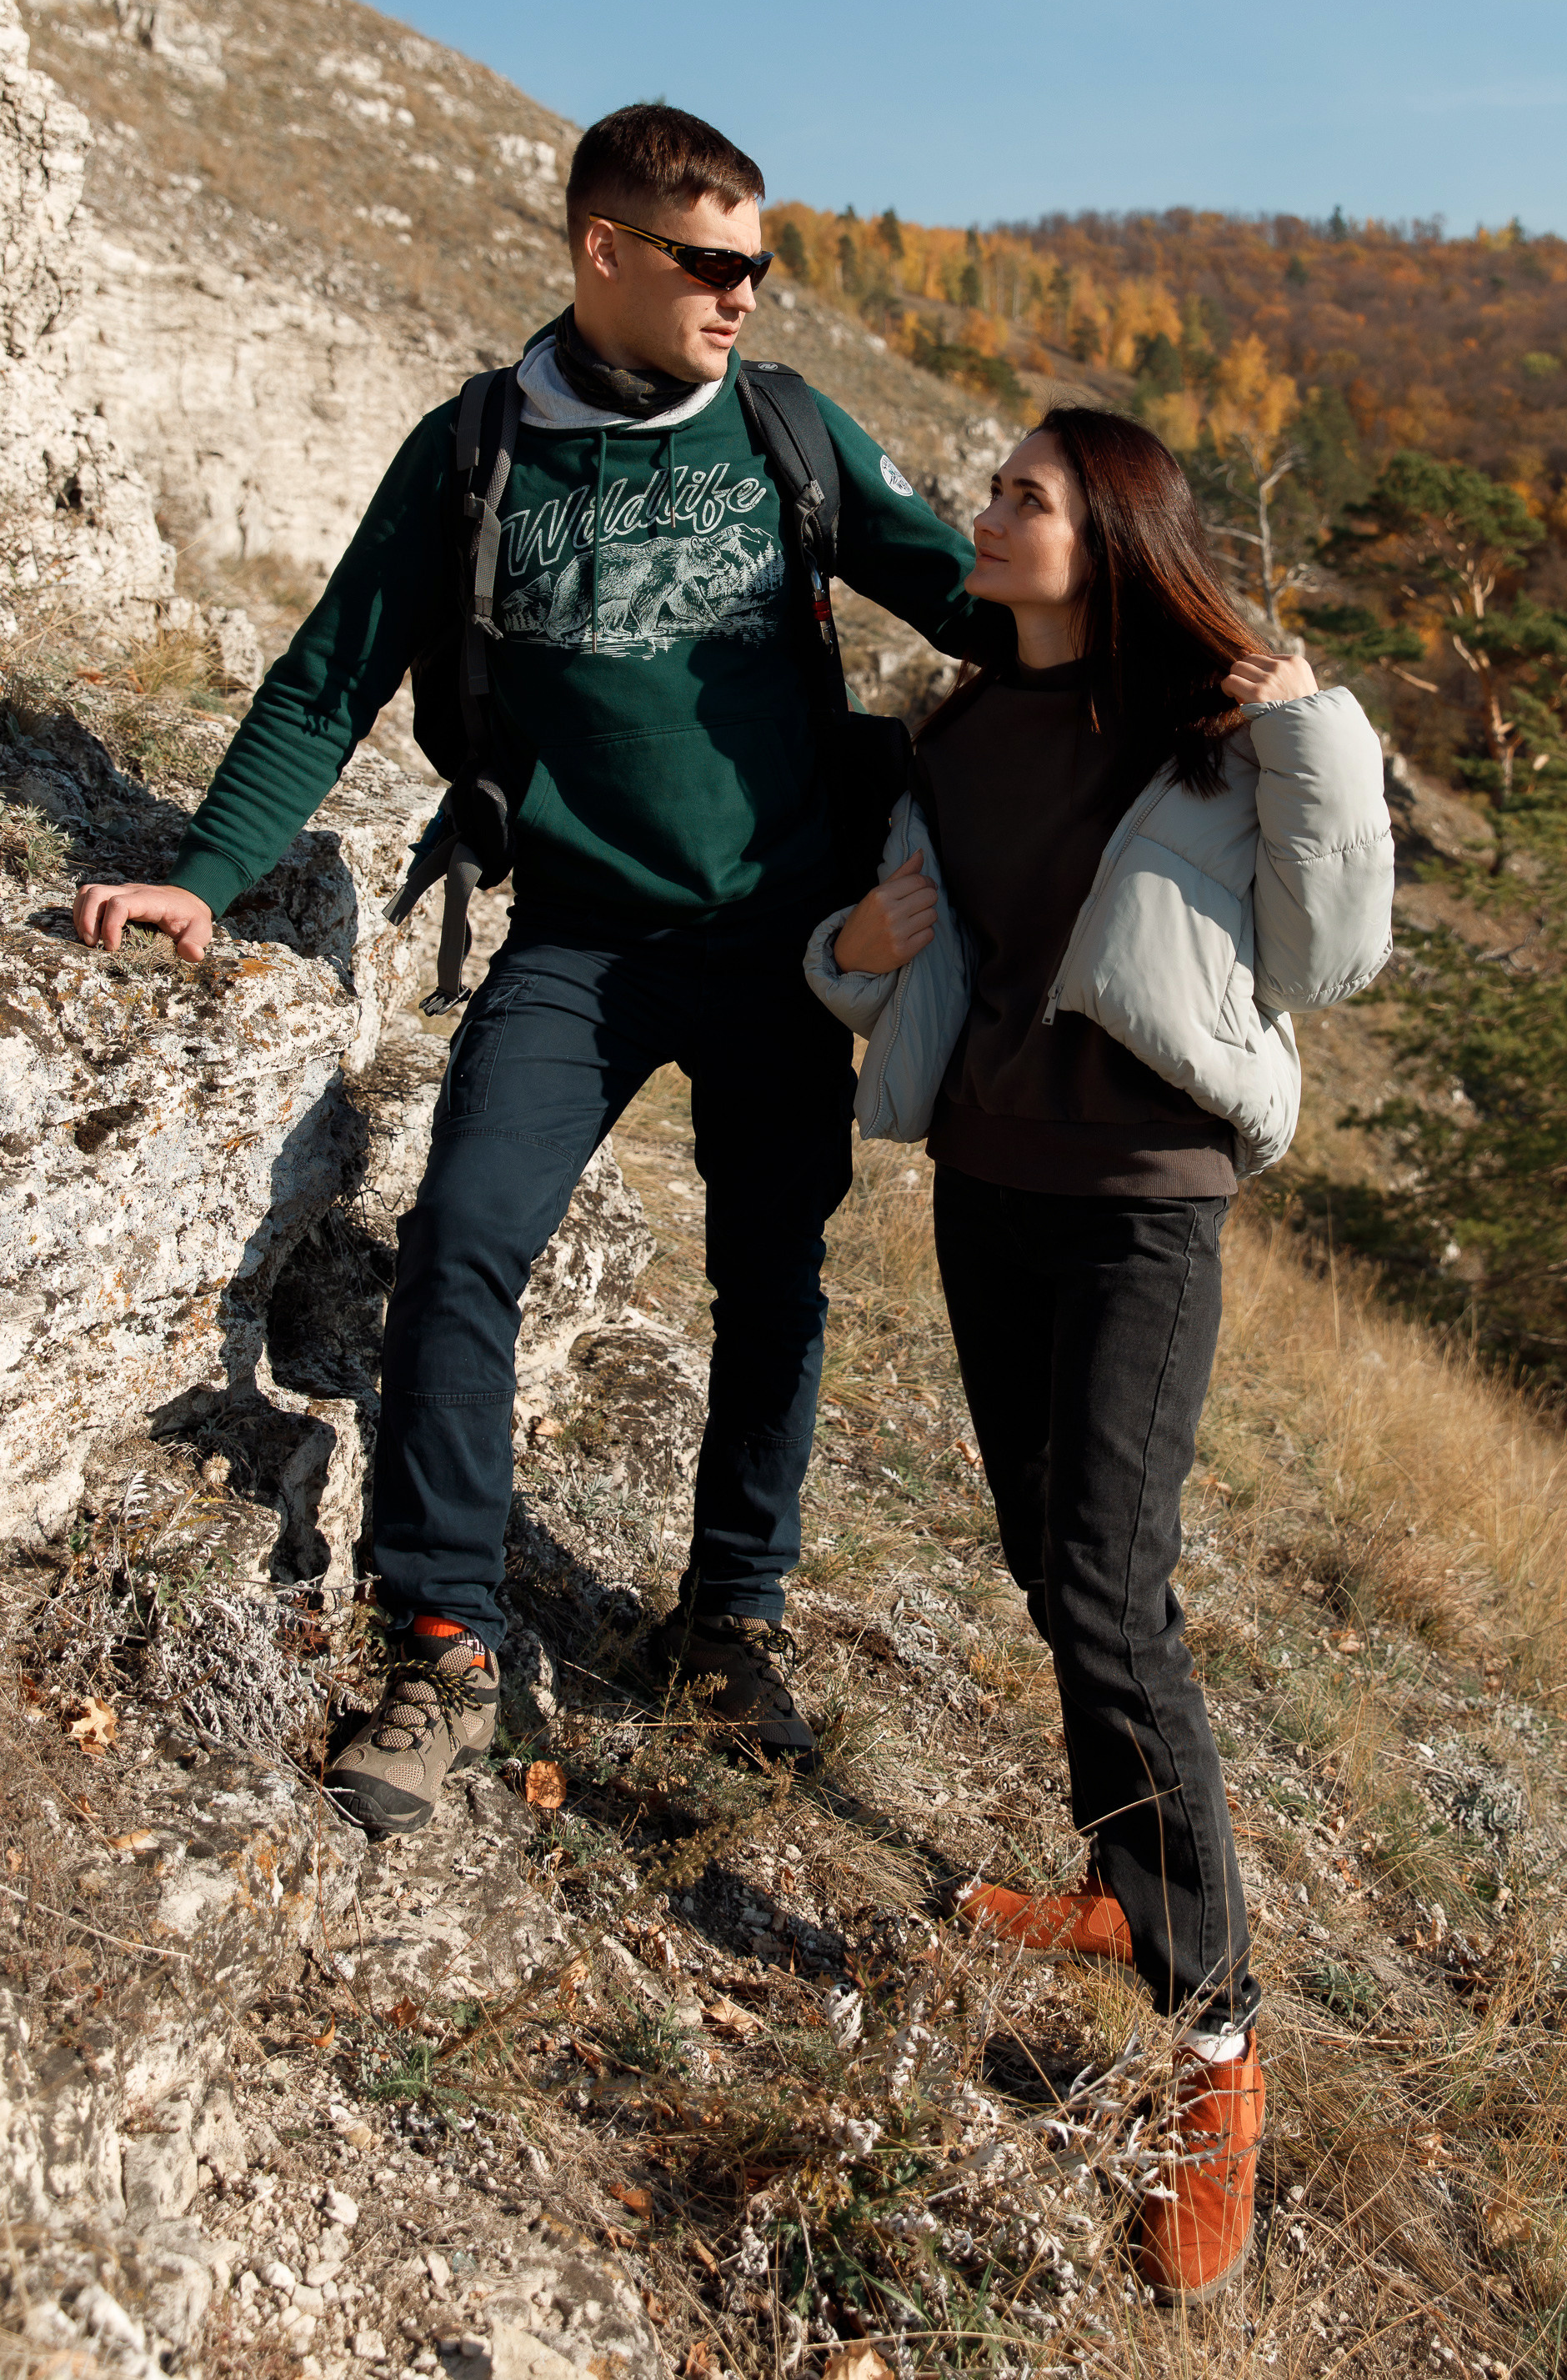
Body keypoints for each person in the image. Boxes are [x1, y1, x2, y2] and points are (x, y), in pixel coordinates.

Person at [73, 103, 1009, 1834]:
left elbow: (975, 600)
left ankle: (730, 1621)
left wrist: (1185, 660)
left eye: (760, 262)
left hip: (793, 939)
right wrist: (206, 875)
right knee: (458, 1248)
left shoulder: (788, 431)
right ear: (604, 252)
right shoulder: (478, 452)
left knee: (775, 1279)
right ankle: (440, 1641)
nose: (746, 294)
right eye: (713, 263)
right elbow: (326, 672)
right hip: (579, 942)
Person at [803, 407, 1393, 2303]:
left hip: (1147, 1193)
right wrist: (848, 947)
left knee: (1108, 1584)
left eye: (1021, 498)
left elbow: (1337, 954)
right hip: (989, 1178)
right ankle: (1127, 1890)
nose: (982, 517)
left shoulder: (1210, 741)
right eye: (991, 496)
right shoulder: (957, 733)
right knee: (1047, 1554)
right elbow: (887, 961)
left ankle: (1217, 2055)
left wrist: (1310, 731)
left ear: (1111, 533)